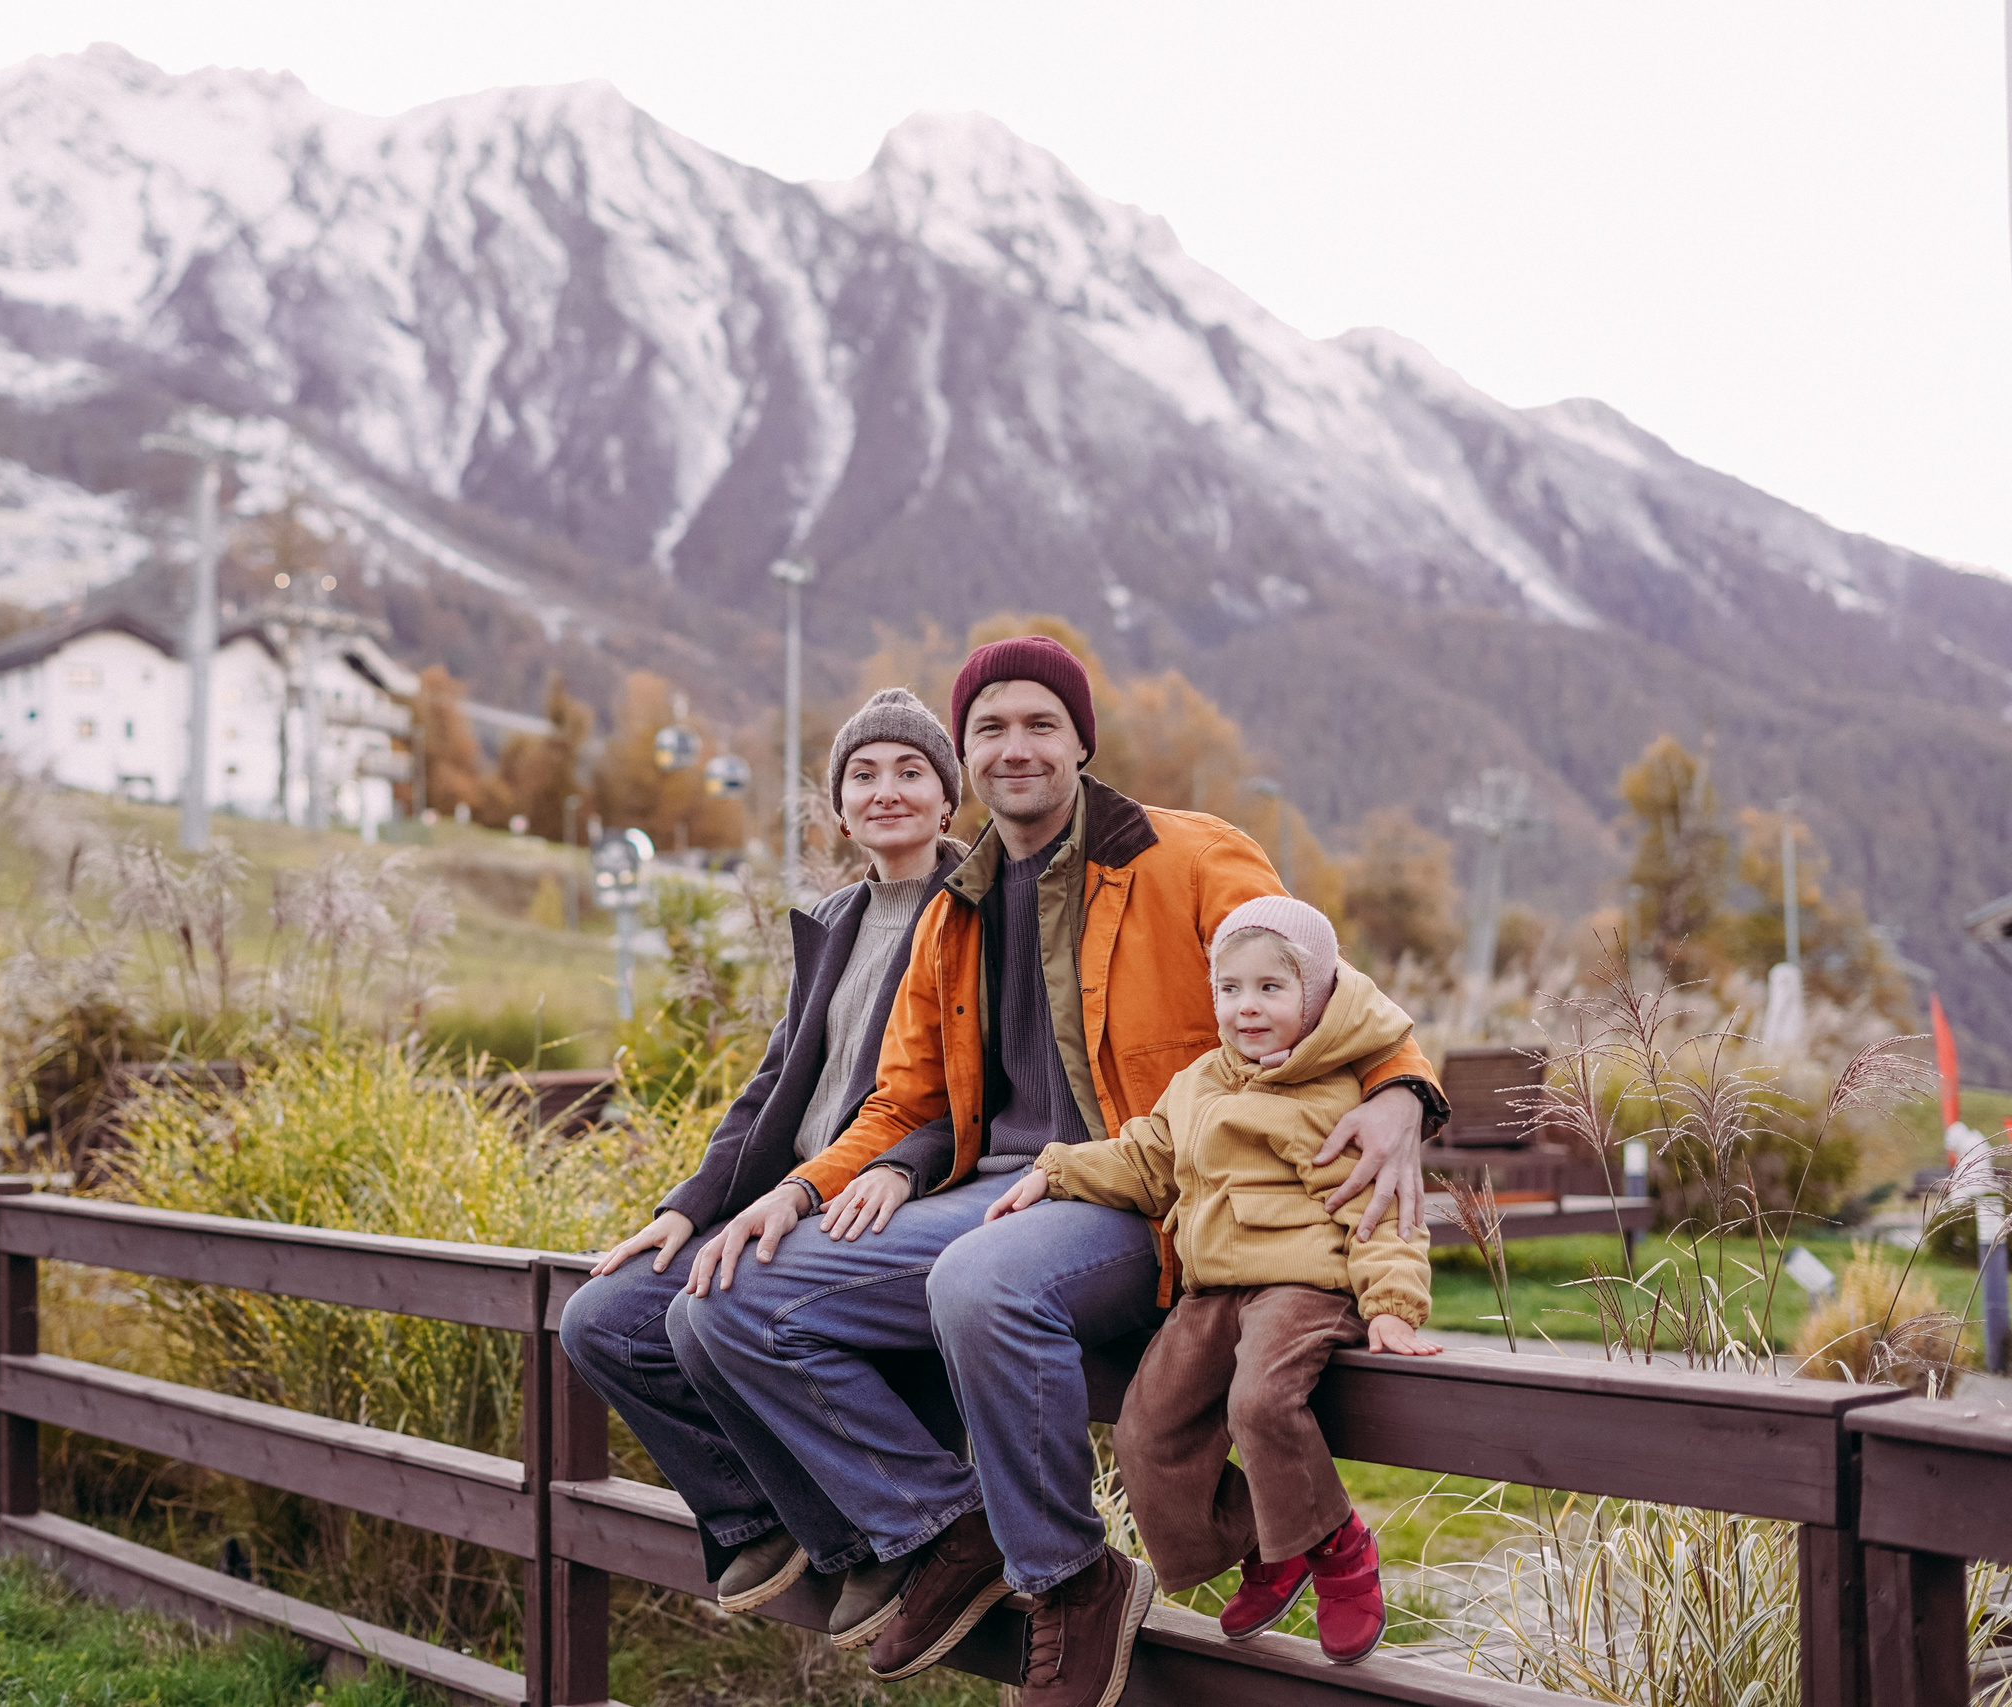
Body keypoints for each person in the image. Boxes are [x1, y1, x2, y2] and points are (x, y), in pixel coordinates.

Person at [688, 636, 1445, 1707]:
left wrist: (1403, 1091)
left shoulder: (1188, 855)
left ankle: (1069, 1579)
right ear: (965, 755)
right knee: (727, 1302)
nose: (1017, 747)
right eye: (990, 727)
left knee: (982, 1280)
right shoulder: (953, 907)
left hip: (1150, 1193)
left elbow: (1320, 984)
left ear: (1081, 741)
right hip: (999, 1191)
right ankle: (945, 1530)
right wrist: (796, 1192)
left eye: (1041, 723)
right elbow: (902, 1101)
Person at [557, 688, 969, 1651]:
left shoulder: (977, 912)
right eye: (863, 775)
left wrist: (902, 1165)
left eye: (911, 771)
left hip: (872, 1198)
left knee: (719, 1311)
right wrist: (688, 1206)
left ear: (949, 798)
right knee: (602, 1320)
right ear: (841, 808)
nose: (887, 790)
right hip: (784, 1193)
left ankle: (889, 1531)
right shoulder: (833, 917)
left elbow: (983, 1088)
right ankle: (766, 1515)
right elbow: (775, 1081)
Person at [987, 895, 1441, 1665]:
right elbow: (1146, 1159)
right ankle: (1268, 1537)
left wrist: (1392, 1305)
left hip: (1302, 1286)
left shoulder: (1335, 1094)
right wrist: (1056, 1170)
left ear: (1319, 994)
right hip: (1213, 1290)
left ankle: (1338, 1548)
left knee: (1259, 1401)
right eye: (1230, 988)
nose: (1246, 1006)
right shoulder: (1200, 1080)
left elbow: (1382, 1210)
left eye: (1271, 987)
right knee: (1146, 1431)